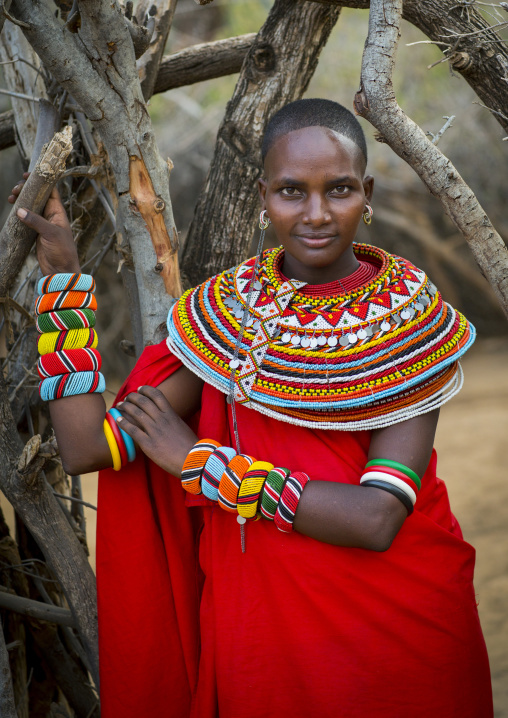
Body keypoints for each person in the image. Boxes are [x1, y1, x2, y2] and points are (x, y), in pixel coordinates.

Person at [11, 99, 493, 717]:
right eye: (292, 191)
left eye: (339, 189)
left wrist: (201, 463)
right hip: (261, 641)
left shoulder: (411, 323)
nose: (317, 213)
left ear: (365, 193)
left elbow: (377, 518)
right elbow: (87, 447)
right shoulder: (225, 319)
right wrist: (64, 281)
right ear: (263, 195)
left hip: (396, 644)